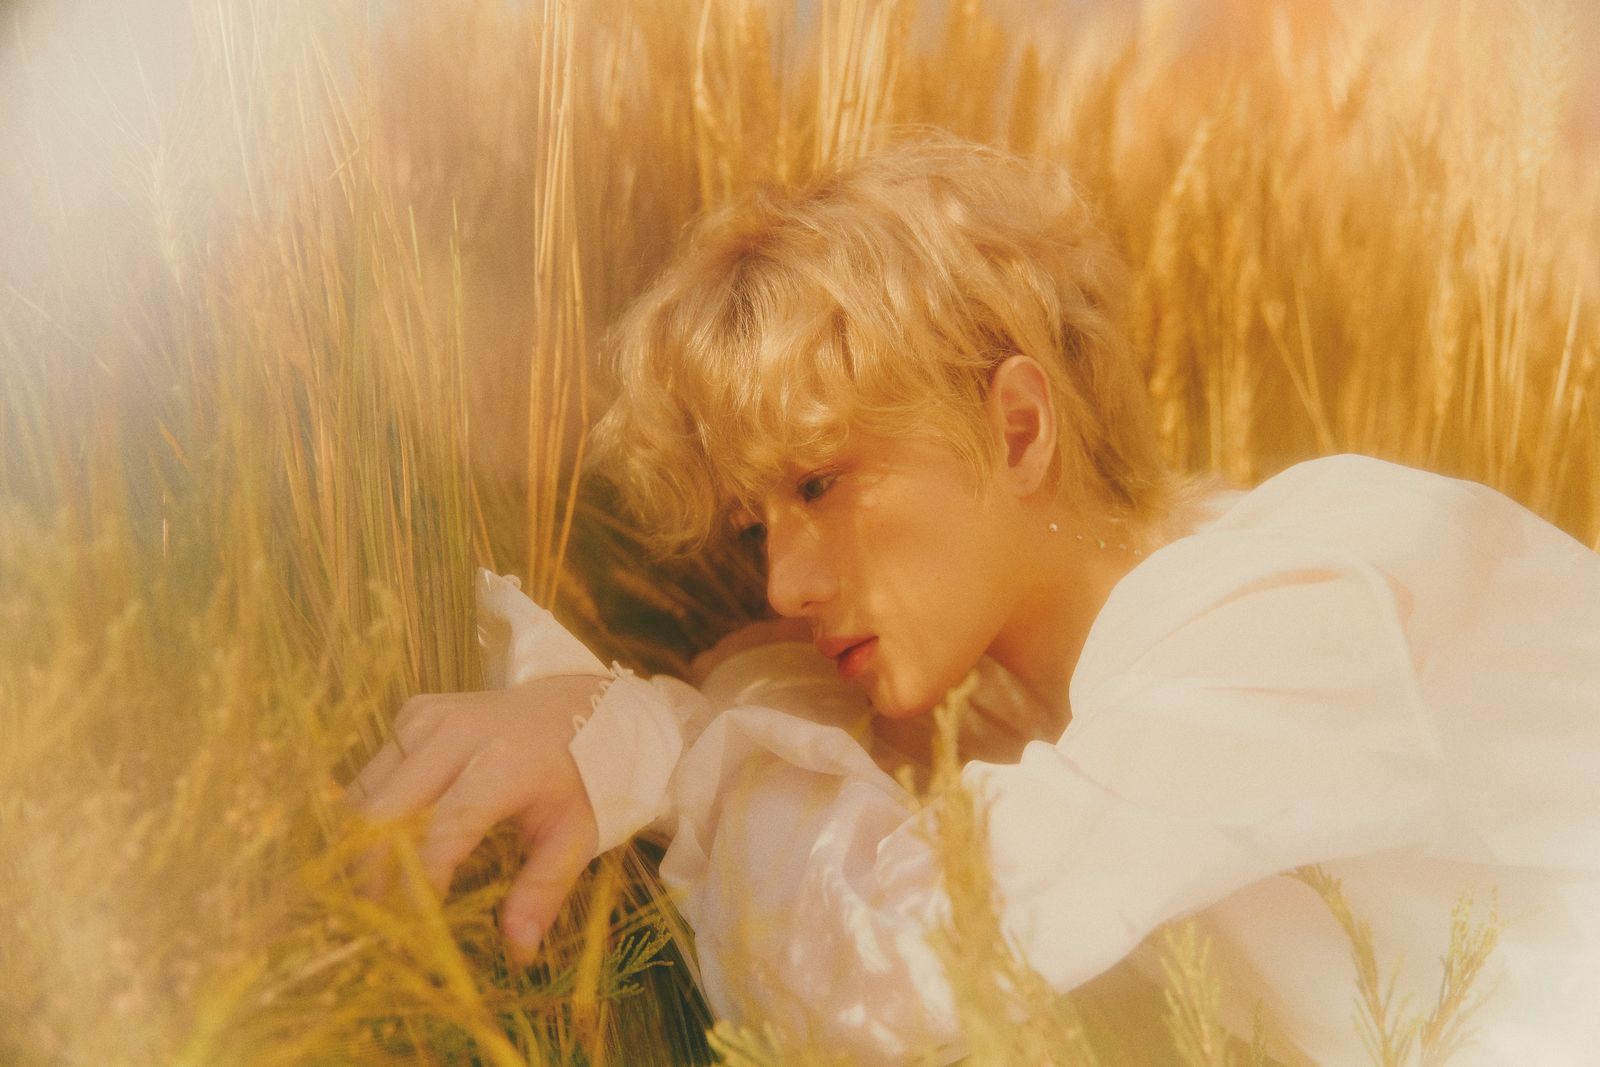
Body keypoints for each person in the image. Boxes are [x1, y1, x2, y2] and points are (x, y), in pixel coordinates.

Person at [351, 138, 1600, 1065]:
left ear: (1015, 426)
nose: (785, 582)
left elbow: (899, 978)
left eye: (823, 480)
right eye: (756, 522)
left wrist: (663, 737)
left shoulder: (1304, 596)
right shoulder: (1017, 712)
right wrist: (631, 717)